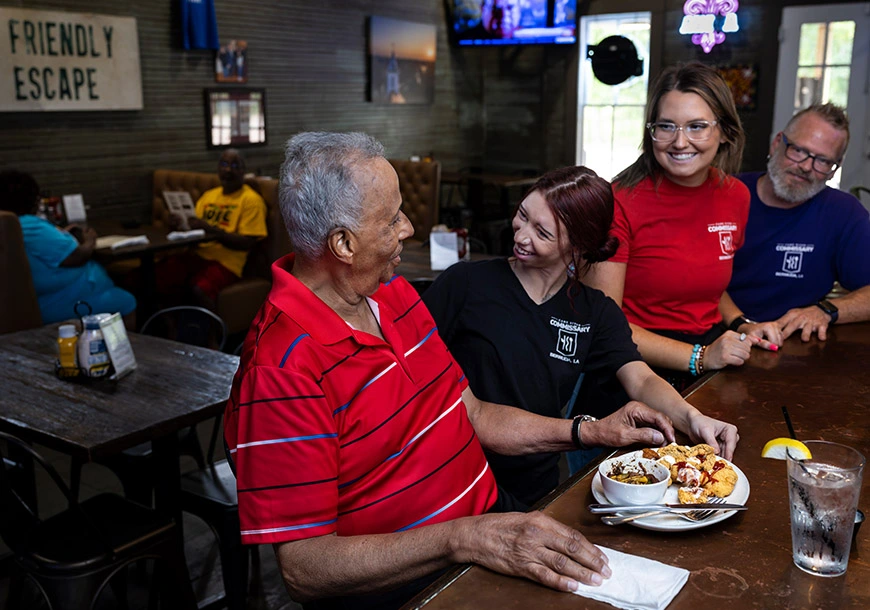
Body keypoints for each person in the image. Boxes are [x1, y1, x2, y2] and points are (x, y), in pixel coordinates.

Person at [223, 132, 678, 610]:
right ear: (342, 242)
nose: (409, 227)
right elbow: (304, 568)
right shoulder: (280, 369)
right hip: (414, 588)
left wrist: (591, 431)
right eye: (392, 217)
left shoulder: (392, 295)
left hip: (490, 534)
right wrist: (463, 538)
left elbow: (473, 413)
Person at [423, 166, 739, 507]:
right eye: (523, 216)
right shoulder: (466, 284)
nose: (521, 236)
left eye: (542, 232)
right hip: (456, 475)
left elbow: (641, 379)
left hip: (535, 484)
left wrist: (692, 418)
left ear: (579, 245)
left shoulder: (593, 311)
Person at [583, 62, 781, 388]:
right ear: (651, 131)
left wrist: (742, 324)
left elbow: (704, 285)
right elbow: (604, 323)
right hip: (633, 364)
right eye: (666, 126)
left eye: (697, 126)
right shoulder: (618, 200)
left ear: (725, 131)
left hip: (709, 347)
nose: (679, 142)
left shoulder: (735, 196)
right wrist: (699, 357)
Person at [728, 103, 870, 342]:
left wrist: (827, 311)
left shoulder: (843, 212)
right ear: (777, 144)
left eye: (823, 161)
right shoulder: (727, 194)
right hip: (714, 337)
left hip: (790, 346)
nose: (805, 166)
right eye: (799, 150)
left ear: (834, 170)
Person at [0, 170, 137, 327]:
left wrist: (62, 234)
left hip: (43, 298)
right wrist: (90, 240)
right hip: (59, 301)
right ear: (33, 199)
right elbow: (76, 257)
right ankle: (123, 349)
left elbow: (46, 248)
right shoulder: (30, 225)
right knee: (127, 302)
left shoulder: (10, 224)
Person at [157, 149, 267, 309]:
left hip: (227, 263)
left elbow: (247, 242)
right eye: (224, 164)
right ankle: (167, 329)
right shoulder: (208, 196)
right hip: (197, 255)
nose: (228, 169)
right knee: (157, 277)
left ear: (243, 170)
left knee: (199, 289)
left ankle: (213, 333)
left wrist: (211, 230)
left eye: (235, 165)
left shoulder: (251, 200)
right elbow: (194, 231)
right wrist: (177, 225)